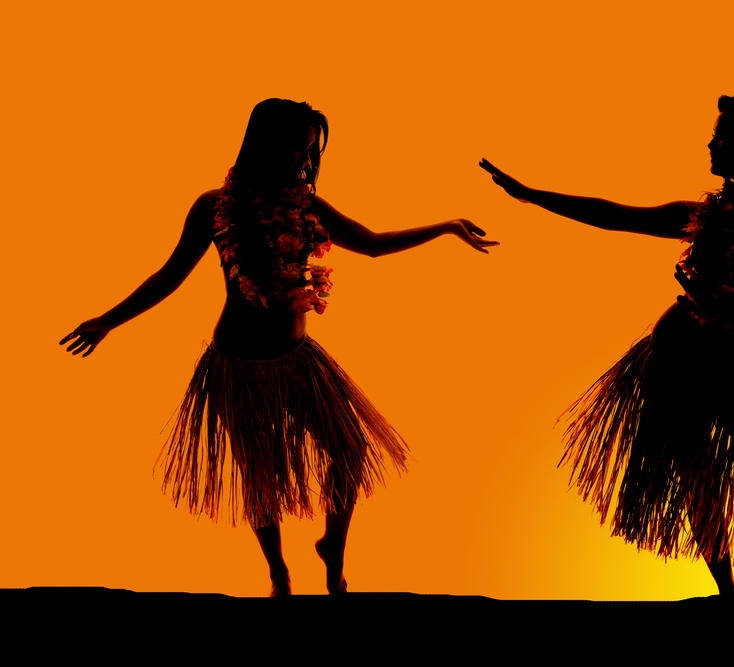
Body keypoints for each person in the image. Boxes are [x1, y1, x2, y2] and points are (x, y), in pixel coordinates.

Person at [61, 98, 497, 596]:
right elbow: (169, 276)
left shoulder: (307, 208)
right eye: (294, 144)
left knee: (349, 450)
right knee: (259, 474)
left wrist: (445, 227)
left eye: (308, 150)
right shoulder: (215, 207)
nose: (302, 158)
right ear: (261, 142)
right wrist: (108, 321)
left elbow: (373, 242)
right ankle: (278, 574)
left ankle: (333, 551)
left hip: (299, 360)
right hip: (238, 364)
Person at [480, 94, 734, 595]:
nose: (711, 146)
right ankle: (727, 593)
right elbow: (616, 214)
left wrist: (729, 309)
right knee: (698, 478)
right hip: (673, 361)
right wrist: (532, 195)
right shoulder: (707, 216)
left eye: (722, 137)